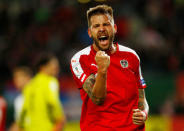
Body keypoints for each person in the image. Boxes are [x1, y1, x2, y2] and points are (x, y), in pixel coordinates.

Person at [70, 4, 149, 131]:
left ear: (115, 28)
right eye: (96, 26)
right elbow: (98, 99)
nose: (102, 29)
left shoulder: (131, 56)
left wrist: (144, 113)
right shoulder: (79, 59)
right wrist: (102, 70)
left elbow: (142, 98)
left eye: (106, 24)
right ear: (90, 33)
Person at [18, 53, 65, 131]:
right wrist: (61, 119)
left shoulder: (30, 85)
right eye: (54, 67)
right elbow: (53, 102)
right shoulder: (51, 81)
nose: (57, 70)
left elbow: (23, 112)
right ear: (43, 67)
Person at [9, 66, 32, 131]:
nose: (15, 80)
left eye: (18, 77)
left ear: (28, 78)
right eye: (14, 77)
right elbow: (19, 124)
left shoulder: (37, 94)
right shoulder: (18, 100)